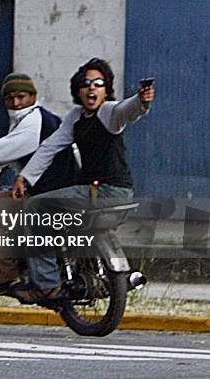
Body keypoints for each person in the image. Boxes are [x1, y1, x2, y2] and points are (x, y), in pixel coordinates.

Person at [10, 57, 155, 303]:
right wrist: (25, 177)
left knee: (35, 209)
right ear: (79, 89)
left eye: (98, 83)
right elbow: (50, 147)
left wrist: (141, 101)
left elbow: (126, 110)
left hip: (106, 194)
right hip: (111, 196)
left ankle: (45, 285)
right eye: (86, 83)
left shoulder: (109, 112)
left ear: (106, 89)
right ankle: (75, 272)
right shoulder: (76, 117)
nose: (92, 87)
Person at [0, 73, 79, 298]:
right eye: (10, 99)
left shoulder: (32, 123)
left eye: (21, 97)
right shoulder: (46, 118)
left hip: (45, 193)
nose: (16, 103)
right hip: (65, 190)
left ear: (34, 97)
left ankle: (5, 276)